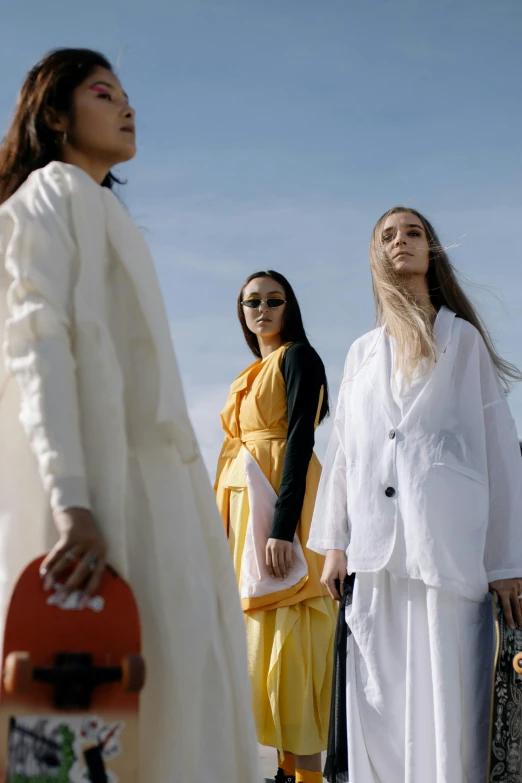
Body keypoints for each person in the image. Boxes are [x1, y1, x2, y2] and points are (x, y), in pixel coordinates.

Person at [0, 48, 259, 782]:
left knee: (167, 698)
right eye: (105, 93)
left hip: (158, 497)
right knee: (117, 708)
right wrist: (70, 496)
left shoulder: (105, 210)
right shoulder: (51, 196)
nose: (128, 107)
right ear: (54, 115)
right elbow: (36, 342)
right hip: (103, 498)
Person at [308, 206, 522, 783]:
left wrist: (506, 562)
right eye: (388, 235)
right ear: (377, 255)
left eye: (413, 233)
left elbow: (500, 452)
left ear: (431, 252)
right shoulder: (361, 353)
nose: (401, 241)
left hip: (448, 550)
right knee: (376, 705)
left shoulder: (463, 340)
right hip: (376, 556)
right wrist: (333, 542)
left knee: (449, 702)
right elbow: (347, 453)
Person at [215, 270, 337, 783]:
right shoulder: (247, 373)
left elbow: (300, 443)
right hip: (248, 515)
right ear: (241, 311)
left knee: (297, 640)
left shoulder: (298, 358)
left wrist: (282, 530)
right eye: (251, 301)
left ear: (289, 306)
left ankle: (306, 776)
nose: (261, 308)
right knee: (263, 644)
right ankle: (286, 772)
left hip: (285, 509)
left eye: (273, 299)